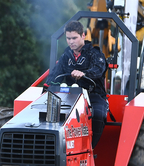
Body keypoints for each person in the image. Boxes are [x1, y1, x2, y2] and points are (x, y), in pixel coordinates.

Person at [46, 20, 108, 148]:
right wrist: (47, 89)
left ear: (83, 35)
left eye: (74, 38)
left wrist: (84, 74)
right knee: (48, 112)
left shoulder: (95, 53)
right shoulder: (66, 56)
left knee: (98, 115)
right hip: (70, 96)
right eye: (68, 38)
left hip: (93, 96)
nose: (71, 42)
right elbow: (54, 77)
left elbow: (98, 70)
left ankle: (89, 148)